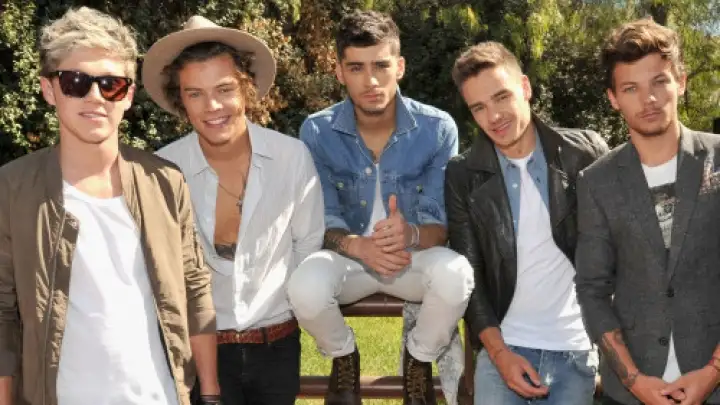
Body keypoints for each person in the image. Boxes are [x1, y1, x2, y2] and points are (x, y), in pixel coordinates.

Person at [0, 7, 219, 405]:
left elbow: (195, 291)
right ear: (49, 89)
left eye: (111, 85)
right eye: (76, 82)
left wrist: (211, 394)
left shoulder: (164, 182)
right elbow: (2, 315)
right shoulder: (13, 188)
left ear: (128, 95)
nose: (95, 97)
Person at [286, 9, 474, 405]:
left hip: (412, 258)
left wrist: (410, 234)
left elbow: (440, 223)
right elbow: (320, 218)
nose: (371, 81)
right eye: (356, 68)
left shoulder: (437, 128)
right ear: (339, 72)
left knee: (457, 275)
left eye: (381, 66)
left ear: (399, 67)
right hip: (348, 259)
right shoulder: (316, 131)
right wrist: (357, 245)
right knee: (304, 286)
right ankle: (344, 357)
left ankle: (418, 360)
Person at [145, 15, 325, 405]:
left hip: (278, 347)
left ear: (246, 89)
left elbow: (308, 246)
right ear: (181, 100)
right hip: (198, 353)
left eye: (224, 89)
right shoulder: (163, 170)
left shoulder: (291, 157)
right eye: (195, 93)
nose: (212, 106)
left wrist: (286, 311)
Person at [445, 41, 608, 405]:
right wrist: (500, 354)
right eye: (479, 108)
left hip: (576, 352)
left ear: (525, 87)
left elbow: (618, 249)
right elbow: (470, 275)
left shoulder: (584, 153)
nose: (493, 117)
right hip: (503, 351)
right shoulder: (463, 174)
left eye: (501, 97)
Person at [575, 18, 720, 405]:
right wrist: (635, 381)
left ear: (681, 82)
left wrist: (713, 373)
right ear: (613, 98)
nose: (648, 99)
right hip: (631, 391)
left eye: (659, 81)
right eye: (631, 88)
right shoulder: (596, 181)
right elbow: (592, 290)